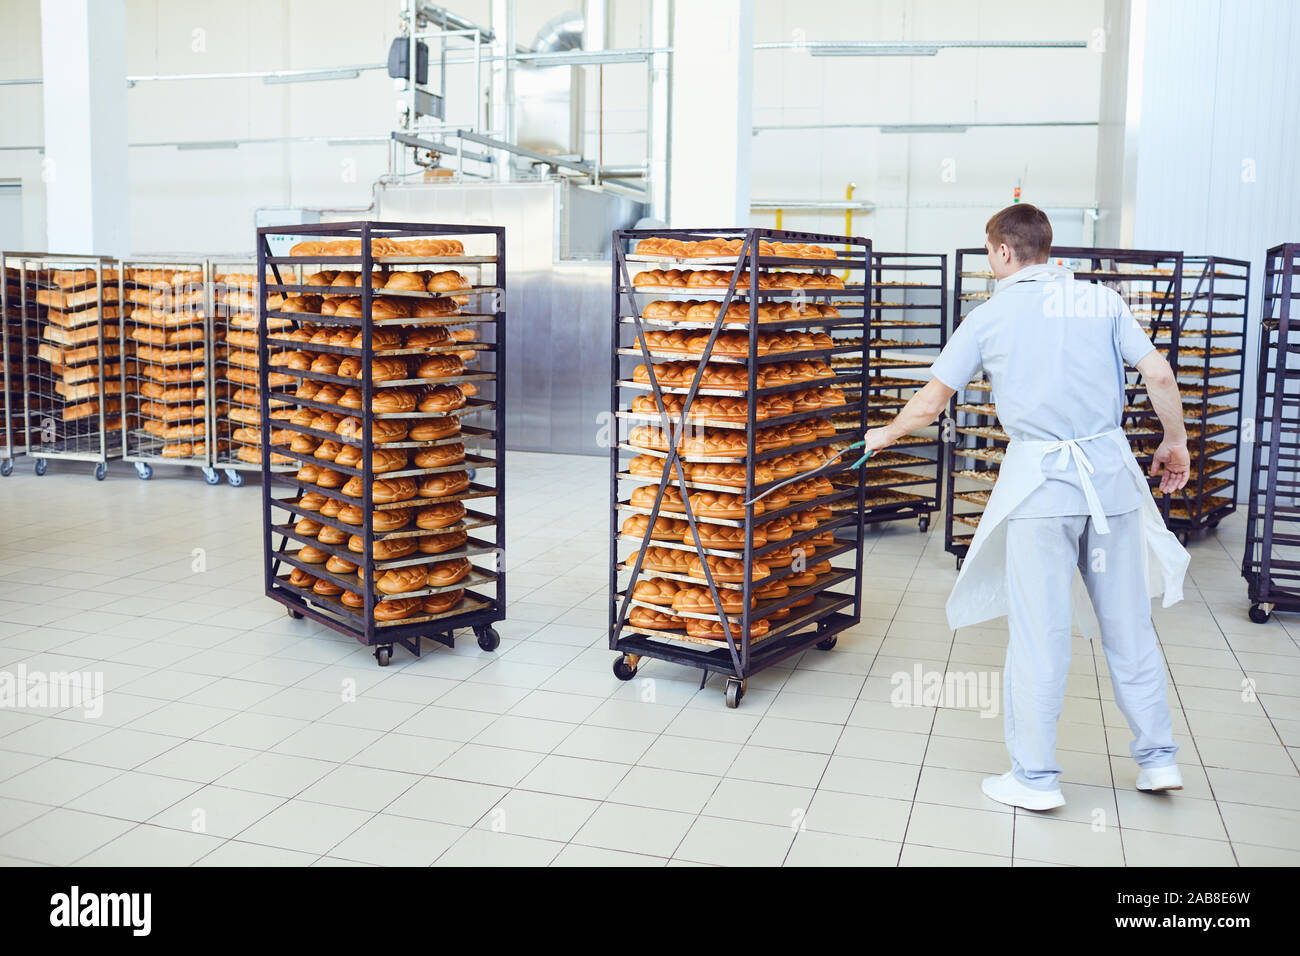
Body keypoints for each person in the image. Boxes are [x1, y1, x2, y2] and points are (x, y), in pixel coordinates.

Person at [860, 203, 1192, 811]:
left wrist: (881, 436)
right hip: (1111, 484)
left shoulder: (988, 317)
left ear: (1003, 253)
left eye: (990, 254)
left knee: (1040, 637)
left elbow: (930, 405)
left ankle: (1036, 779)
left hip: (1040, 489)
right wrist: (1175, 443)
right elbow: (1160, 377)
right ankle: (1158, 759)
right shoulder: (1102, 302)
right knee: (1129, 628)